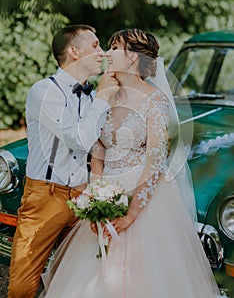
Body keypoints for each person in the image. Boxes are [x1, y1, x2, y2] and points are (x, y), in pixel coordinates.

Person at [41, 29, 220, 297]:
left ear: (133, 58)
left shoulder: (155, 100)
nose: (107, 53)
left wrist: (132, 213)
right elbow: (98, 151)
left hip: (146, 201)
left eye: (115, 47)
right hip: (108, 194)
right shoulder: (106, 96)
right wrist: (97, 198)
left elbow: (156, 159)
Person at [8, 24, 119, 298]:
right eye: (94, 46)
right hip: (45, 198)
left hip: (84, 195)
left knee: (76, 282)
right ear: (73, 51)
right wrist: (104, 98)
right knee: (22, 286)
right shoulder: (44, 92)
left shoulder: (92, 95)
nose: (102, 52)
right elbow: (79, 139)